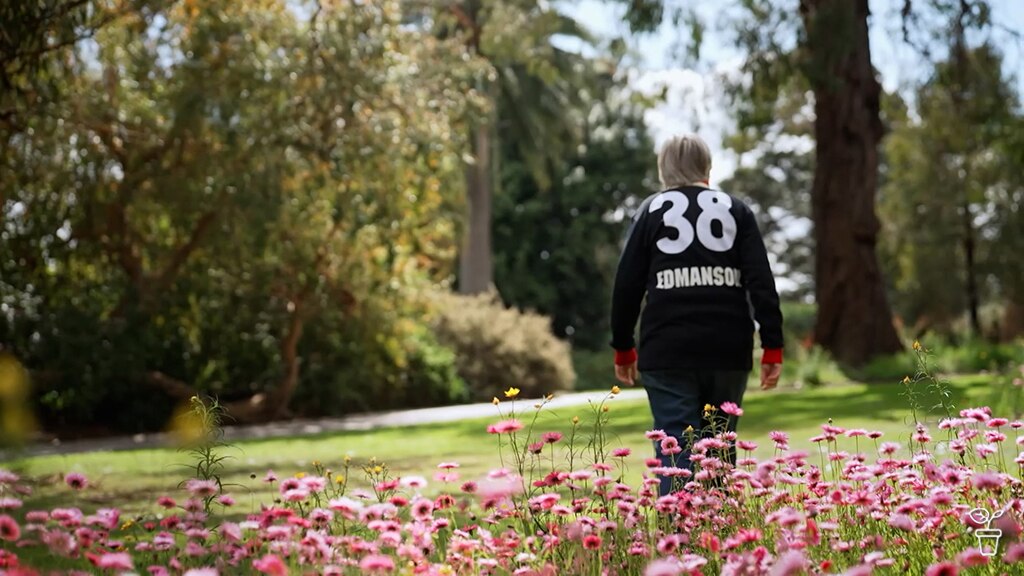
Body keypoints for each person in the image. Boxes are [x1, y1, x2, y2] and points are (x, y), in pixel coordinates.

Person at [609, 134, 784, 496]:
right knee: (719, 446)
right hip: (727, 347)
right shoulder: (737, 210)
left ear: (663, 170)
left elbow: (626, 284)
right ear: (708, 167)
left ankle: (681, 538)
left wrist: (623, 347)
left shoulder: (650, 210)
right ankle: (720, 536)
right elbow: (761, 282)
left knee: (676, 447)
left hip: (667, 348)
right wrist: (772, 346)